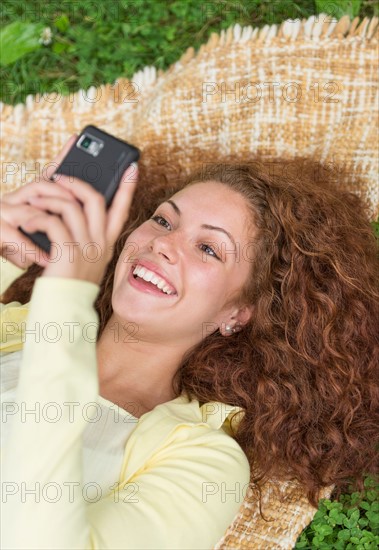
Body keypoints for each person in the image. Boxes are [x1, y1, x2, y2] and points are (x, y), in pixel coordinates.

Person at [0, 135, 378, 549]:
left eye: (209, 249)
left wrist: (68, 299)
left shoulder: (206, 465)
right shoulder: (21, 327)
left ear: (237, 313)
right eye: (163, 221)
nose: (162, 244)